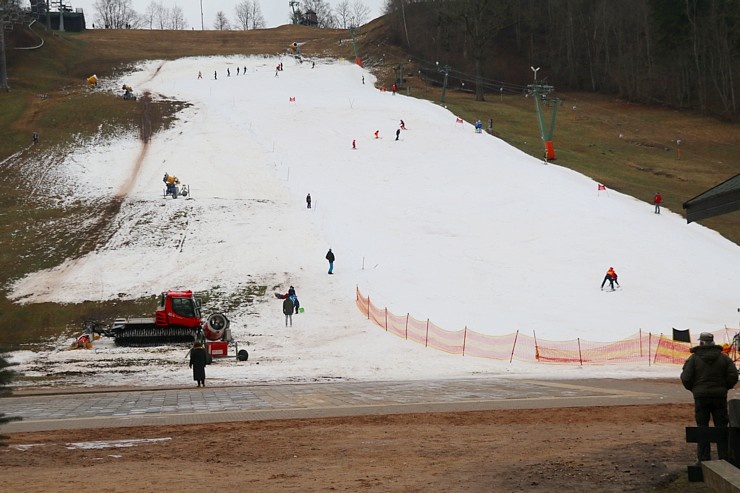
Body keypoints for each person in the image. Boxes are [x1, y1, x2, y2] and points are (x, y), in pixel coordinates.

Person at [680, 332, 738, 462]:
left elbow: (686, 378)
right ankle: (724, 458)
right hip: (719, 397)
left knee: (702, 427)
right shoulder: (724, 358)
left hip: (701, 398)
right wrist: (724, 388)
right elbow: (733, 375)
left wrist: (695, 389)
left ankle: (704, 459)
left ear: (701, 342)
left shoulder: (694, 359)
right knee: (722, 427)